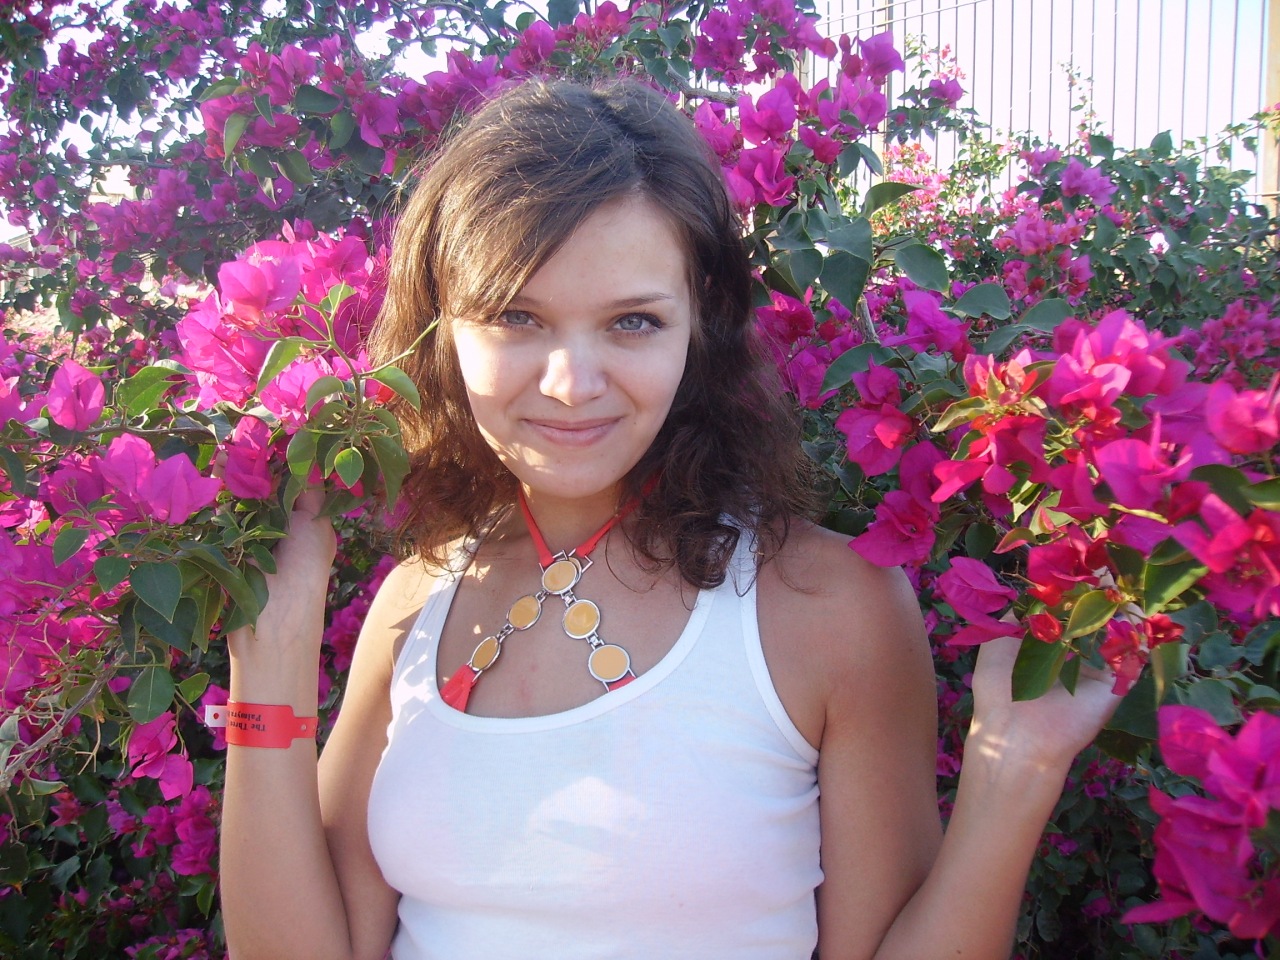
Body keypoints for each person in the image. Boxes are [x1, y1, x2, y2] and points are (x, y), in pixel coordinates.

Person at [219, 80, 1122, 960]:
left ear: (701, 326)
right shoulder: (416, 599)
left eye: (634, 322)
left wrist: (1018, 768)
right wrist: (272, 655)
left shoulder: (826, 607)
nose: (571, 383)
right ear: (442, 329)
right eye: (517, 316)